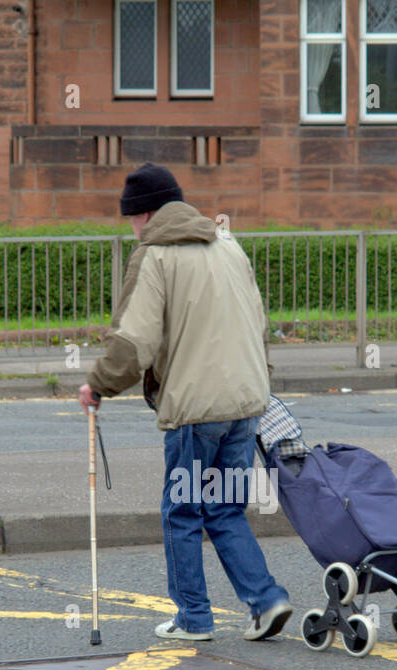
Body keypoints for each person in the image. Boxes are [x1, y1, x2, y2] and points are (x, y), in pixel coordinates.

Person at [79, 163, 292, 642]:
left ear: (145, 213)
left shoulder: (154, 256)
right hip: (246, 403)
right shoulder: (228, 246)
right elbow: (258, 326)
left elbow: (135, 341)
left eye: (131, 219)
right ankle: (267, 600)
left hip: (196, 411)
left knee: (183, 511)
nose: (132, 229)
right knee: (224, 509)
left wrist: (98, 385)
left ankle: (193, 619)